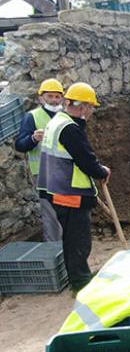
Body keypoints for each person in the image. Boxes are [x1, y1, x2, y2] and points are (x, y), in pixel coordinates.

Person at [37, 82, 110, 292]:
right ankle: (80, 282)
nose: (92, 112)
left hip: (56, 190)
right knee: (78, 240)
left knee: (70, 238)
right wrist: (102, 172)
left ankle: (79, 276)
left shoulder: (58, 121)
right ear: (83, 106)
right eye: (91, 107)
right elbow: (85, 160)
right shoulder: (70, 129)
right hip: (70, 192)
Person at [14, 78, 65, 242]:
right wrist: (33, 138)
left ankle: (68, 249)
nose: (54, 100)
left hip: (67, 172)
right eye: (50, 96)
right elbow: (20, 145)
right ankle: (55, 250)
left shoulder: (66, 116)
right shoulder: (32, 117)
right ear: (41, 98)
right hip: (44, 173)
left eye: (57, 97)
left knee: (67, 213)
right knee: (51, 215)